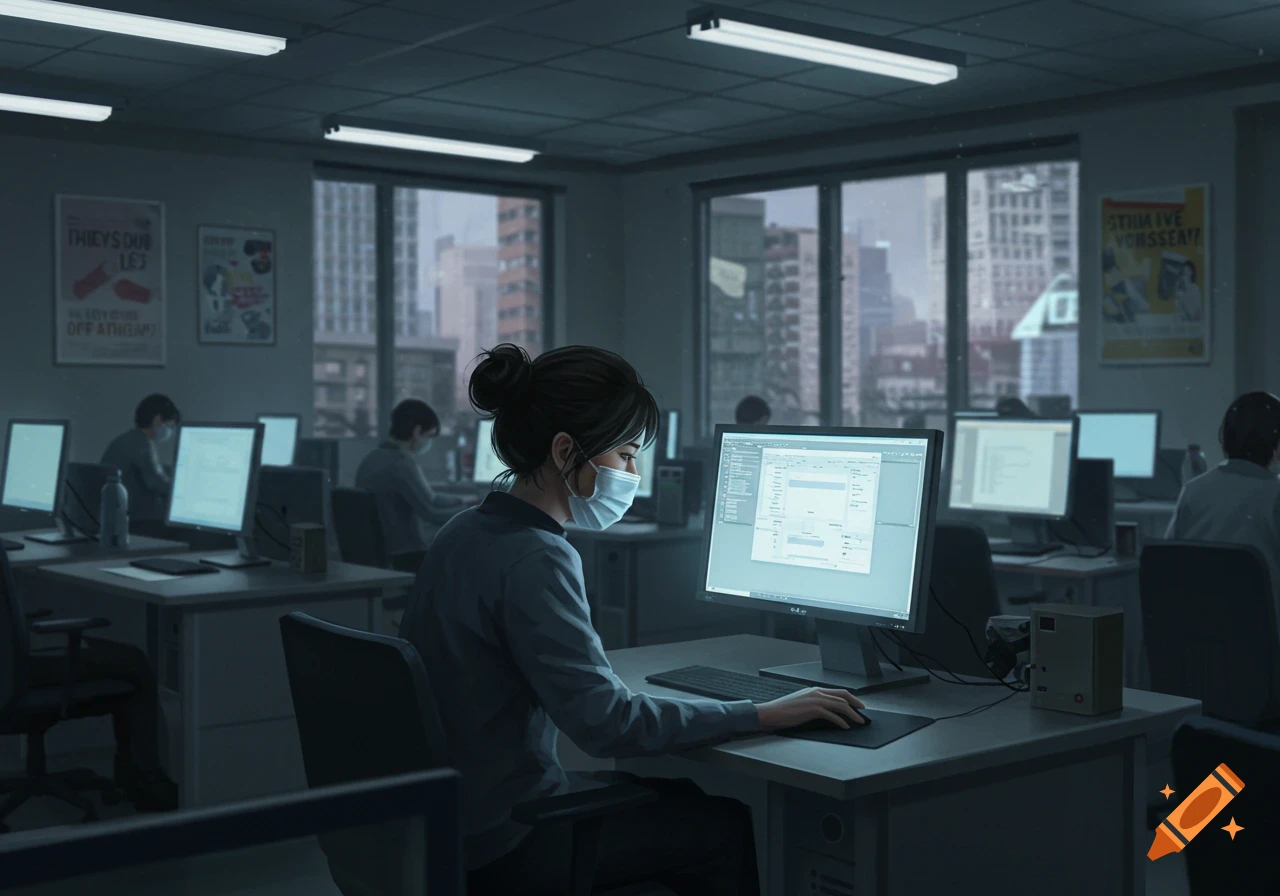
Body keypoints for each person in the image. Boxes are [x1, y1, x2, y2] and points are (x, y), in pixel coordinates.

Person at [399, 344, 865, 895]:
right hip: (510, 839)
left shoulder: (463, 531)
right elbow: (607, 724)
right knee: (723, 824)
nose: (633, 473)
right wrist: (761, 714)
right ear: (566, 449)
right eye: (625, 455)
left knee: (681, 800)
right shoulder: (536, 556)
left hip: (454, 823)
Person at [3, 554, 178, 811]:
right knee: (134, 663)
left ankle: (136, 773)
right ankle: (145, 779)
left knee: (126, 664)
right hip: (19, 671)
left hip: (10, 664)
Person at [1165, 392, 1280, 629]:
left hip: (1200, 640)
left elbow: (1168, 560)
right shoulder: (1274, 495)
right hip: (1265, 643)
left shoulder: (1193, 490)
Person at [354, 398, 473, 572]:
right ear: (417, 432)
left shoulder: (372, 459)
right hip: (407, 558)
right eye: (429, 436)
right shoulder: (401, 464)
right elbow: (431, 512)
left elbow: (430, 499)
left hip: (383, 554)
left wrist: (462, 502)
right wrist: (474, 512)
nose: (429, 443)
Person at [101, 394, 180, 523]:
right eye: (170, 425)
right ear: (158, 420)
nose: (170, 432)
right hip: (131, 519)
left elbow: (153, 468)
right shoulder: (142, 443)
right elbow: (157, 483)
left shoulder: (128, 438)